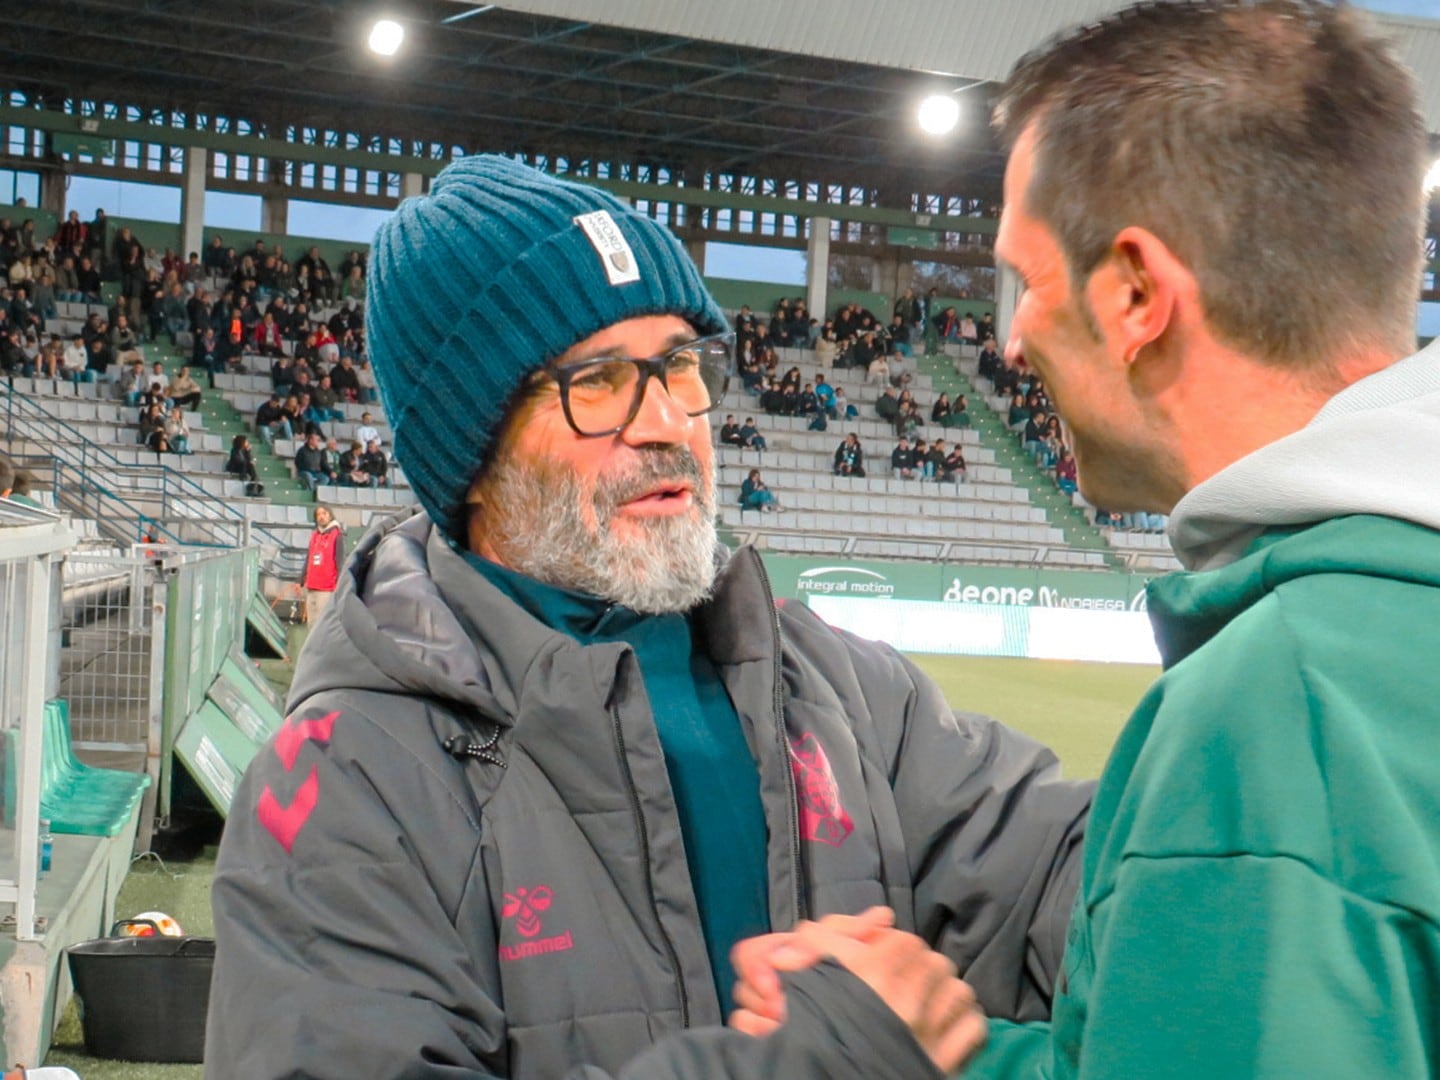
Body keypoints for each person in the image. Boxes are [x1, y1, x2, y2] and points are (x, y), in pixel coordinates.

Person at [206, 155, 1091, 1080]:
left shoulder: (844, 692)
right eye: (597, 383)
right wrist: (822, 1058)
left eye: (678, 366)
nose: (667, 420)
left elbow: (1093, 885)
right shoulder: (345, 781)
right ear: (473, 454)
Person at [733, 3, 1440, 1077]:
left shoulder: (1281, 708)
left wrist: (884, 1057)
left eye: (1026, 278)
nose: (1009, 336)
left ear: (1136, 292)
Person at [304, 506, 344, 625]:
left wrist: (340, 584)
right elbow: (309, 558)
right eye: (318, 514)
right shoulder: (314, 535)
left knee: (322, 624)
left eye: (324, 513)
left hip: (327, 588)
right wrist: (301, 580)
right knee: (311, 623)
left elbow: (340, 561)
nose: (321, 517)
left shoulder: (337, 535)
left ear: (330, 515)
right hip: (311, 586)